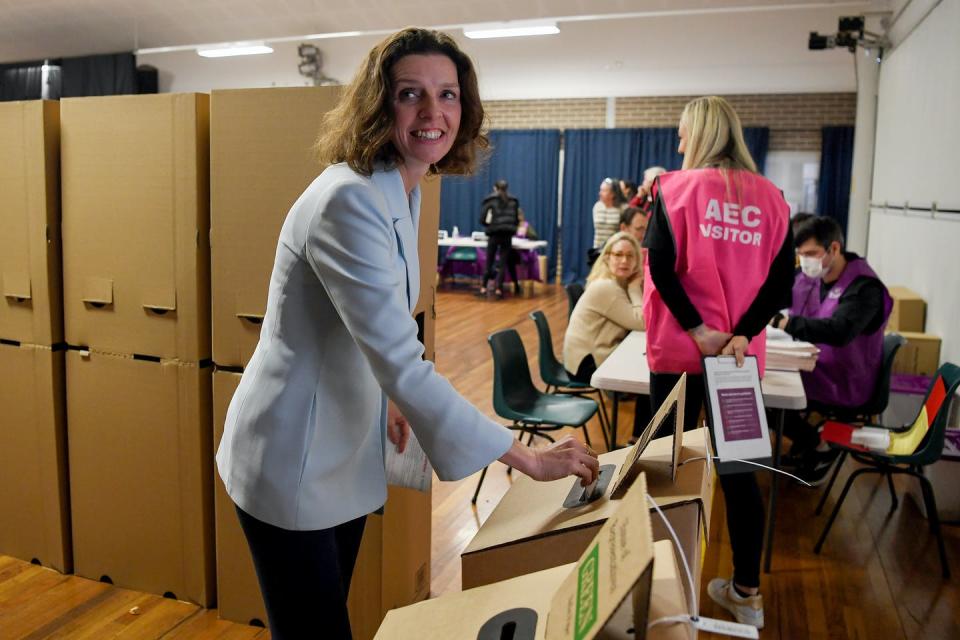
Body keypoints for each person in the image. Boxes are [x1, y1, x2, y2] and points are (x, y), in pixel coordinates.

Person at [215, 28, 599, 640]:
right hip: (295, 454)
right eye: (410, 93)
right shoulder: (349, 200)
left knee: (324, 615)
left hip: (340, 443)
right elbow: (401, 357)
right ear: (378, 105)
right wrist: (525, 457)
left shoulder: (400, 187)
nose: (433, 112)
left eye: (447, 95)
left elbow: (375, 325)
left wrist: (393, 396)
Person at [643, 96, 794, 629]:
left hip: (679, 353)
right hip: (736, 360)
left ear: (702, 134)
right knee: (739, 472)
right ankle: (747, 593)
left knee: (666, 466)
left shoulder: (673, 189)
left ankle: (655, 587)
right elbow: (782, 282)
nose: (679, 143)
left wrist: (698, 329)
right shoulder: (773, 198)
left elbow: (660, 268)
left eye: (683, 134)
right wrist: (742, 333)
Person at [773, 215, 891, 483]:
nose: (805, 261)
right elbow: (784, 296)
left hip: (845, 379)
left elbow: (840, 331)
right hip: (817, 366)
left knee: (769, 398)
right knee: (766, 384)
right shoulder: (817, 276)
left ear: (834, 248)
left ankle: (817, 445)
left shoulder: (864, 288)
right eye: (801, 254)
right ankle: (810, 445)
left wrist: (787, 323)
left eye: (812, 253)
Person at [563, 231, 645, 384]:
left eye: (630, 255)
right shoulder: (606, 287)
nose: (624, 260)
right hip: (586, 364)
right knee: (649, 369)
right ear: (607, 258)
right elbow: (642, 322)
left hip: (589, 356)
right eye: (618, 254)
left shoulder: (618, 282)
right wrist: (635, 288)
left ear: (636, 261)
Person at [479, 179, 521, 298]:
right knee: (503, 263)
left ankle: (483, 287)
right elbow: (516, 220)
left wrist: (490, 226)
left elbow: (482, 219)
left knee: (489, 261)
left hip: (494, 234)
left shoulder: (490, 200)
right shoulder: (513, 201)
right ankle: (499, 289)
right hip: (507, 235)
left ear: (495, 188)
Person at [592, 177, 626, 249]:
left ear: (613, 194)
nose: (600, 193)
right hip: (597, 250)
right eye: (600, 190)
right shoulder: (597, 206)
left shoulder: (623, 208)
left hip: (615, 250)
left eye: (604, 191)